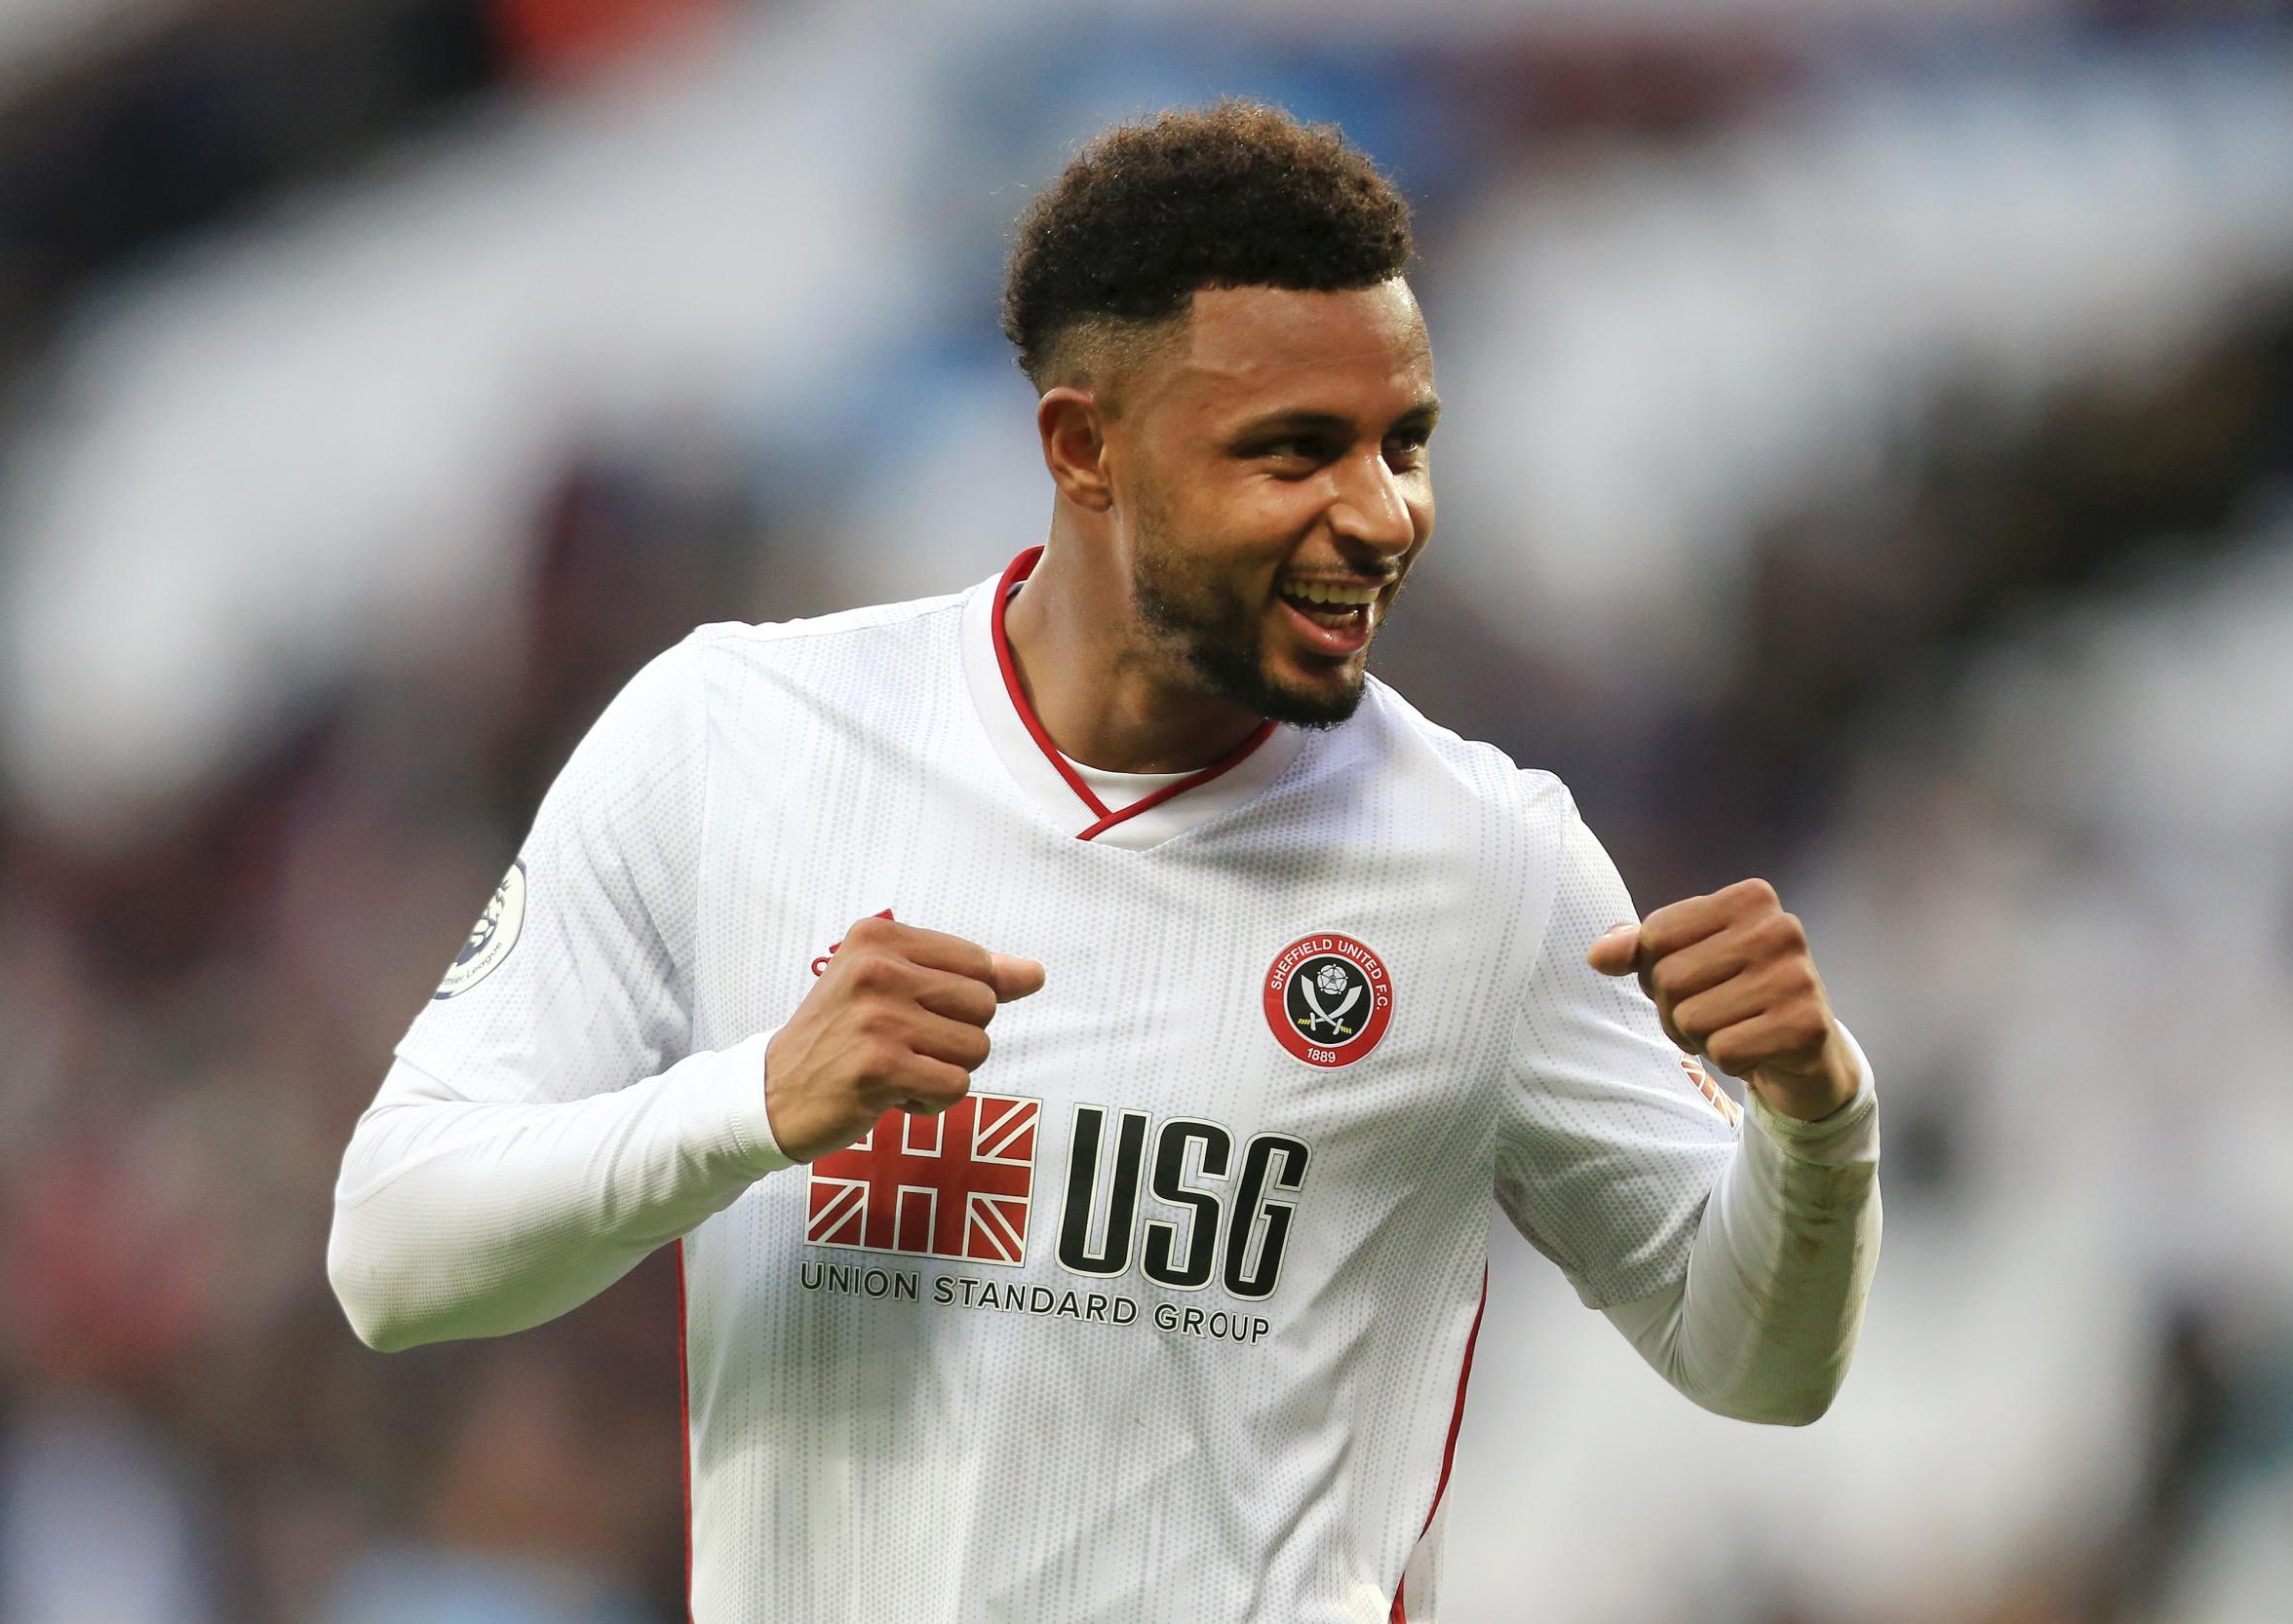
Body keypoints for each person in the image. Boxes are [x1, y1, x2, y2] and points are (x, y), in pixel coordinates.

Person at [327, 99, 1881, 1623]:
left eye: (1403, 443)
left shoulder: (1490, 861)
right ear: (1086, 449)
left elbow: (1751, 1361)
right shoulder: (731, 738)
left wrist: (1814, 1121)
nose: (1381, 514)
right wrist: (753, 1102)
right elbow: (395, 1252)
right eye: (1294, 452)